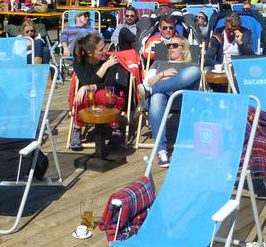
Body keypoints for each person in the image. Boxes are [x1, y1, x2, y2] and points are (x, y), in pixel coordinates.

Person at [138, 35, 201, 167]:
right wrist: (162, 74)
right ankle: (161, 150)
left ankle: (154, 90)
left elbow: (194, 83)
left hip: (181, 98)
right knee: (156, 96)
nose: (170, 48)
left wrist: (172, 81)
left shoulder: (191, 65)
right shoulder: (159, 63)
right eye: (169, 45)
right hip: (160, 98)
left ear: (183, 49)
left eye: (175, 45)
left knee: (195, 71)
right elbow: (147, 83)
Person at [69, 32, 128, 151]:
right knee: (82, 96)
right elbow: (87, 82)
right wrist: (103, 67)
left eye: (104, 47)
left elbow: (108, 85)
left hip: (111, 96)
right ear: (90, 53)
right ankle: (77, 129)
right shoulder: (79, 62)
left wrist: (87, 87)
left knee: (103, 94)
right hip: (90, 98)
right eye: (101, 50)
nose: (105, 51)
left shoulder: (111, 60)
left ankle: (115, 128)